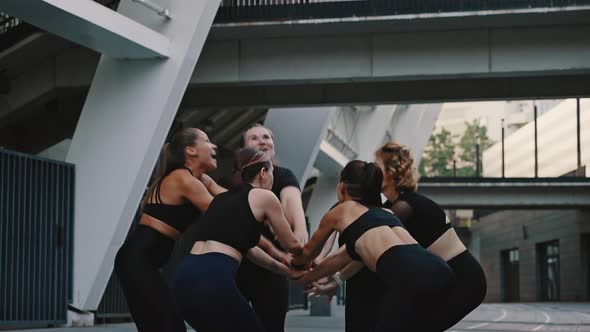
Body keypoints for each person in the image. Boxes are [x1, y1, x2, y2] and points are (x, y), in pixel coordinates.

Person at [291, 160, 454, 331]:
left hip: (410, 280)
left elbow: (308, 253)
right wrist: (332, 281)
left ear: (342, 187)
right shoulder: (386, 213)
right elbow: (348, 258)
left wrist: (294, 269)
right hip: (440, 270)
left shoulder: (341, 210)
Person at [172, 147, 303, 332]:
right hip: (213, 277)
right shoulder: (264, 196)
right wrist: (309, 262)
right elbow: (293, 245)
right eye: (272, 172)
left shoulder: (221, 200)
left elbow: (250, 250)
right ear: (264, 172)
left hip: (183, 278)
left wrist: (283, 270)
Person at [114, 128, 221, 332]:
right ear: (190, 150)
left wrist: (255, 199)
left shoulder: (198, 180)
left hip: (142, 262)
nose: (214, 145)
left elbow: (229, 201)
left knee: (163, 325)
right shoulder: (183, 179)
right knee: (167, 326)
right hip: (137, 260)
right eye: (207, 141)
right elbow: (222, 212)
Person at [376, 141, 487, 331]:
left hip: (465, 281)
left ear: (390, 173)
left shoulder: (405, 207)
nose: (373, 174)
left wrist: (334, 277)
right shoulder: (393, 207)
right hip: (442, 279)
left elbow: (369, 242)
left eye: (376, 168)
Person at [236, 124, 308, 332]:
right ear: (243, 149)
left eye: (266, 137)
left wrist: (300, 228)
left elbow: (291, 200)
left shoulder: (284, 175)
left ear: (273, 146)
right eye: (254, 138)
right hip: (237, 265)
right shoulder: (234, 182)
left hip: (273, 269)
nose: (262, 141)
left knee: (273, 326)